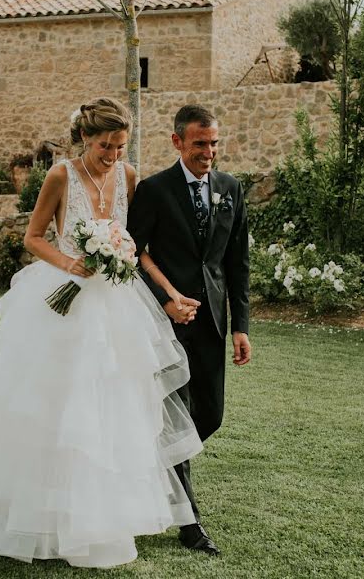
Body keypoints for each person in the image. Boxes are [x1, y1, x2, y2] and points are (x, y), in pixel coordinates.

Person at [0, 98, 204, 568]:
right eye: (105, 146)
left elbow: (138, 240)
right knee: (53, 408)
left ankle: (99, 516)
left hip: (116, 304)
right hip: (63, 301)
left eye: (120, 147)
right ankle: (36, 516)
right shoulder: (60, 176)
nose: (113, 155)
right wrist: (72, 261)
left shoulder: (128, 177)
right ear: (85, 139)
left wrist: (129, 259)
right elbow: (33, 237)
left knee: (111, 406)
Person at [127, 104, 252, 557]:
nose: (209, 152)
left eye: (214, 143)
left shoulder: (230, 188)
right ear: (178, 141)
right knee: (174, 416)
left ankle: (150, 466)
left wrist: (241, 326)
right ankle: (189, 524)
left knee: (210, 416)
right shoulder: (154, 190)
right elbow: (131, 253)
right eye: (200, 143)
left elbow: (238, 262)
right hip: (164, 323)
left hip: (213, 322)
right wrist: (166, 301)